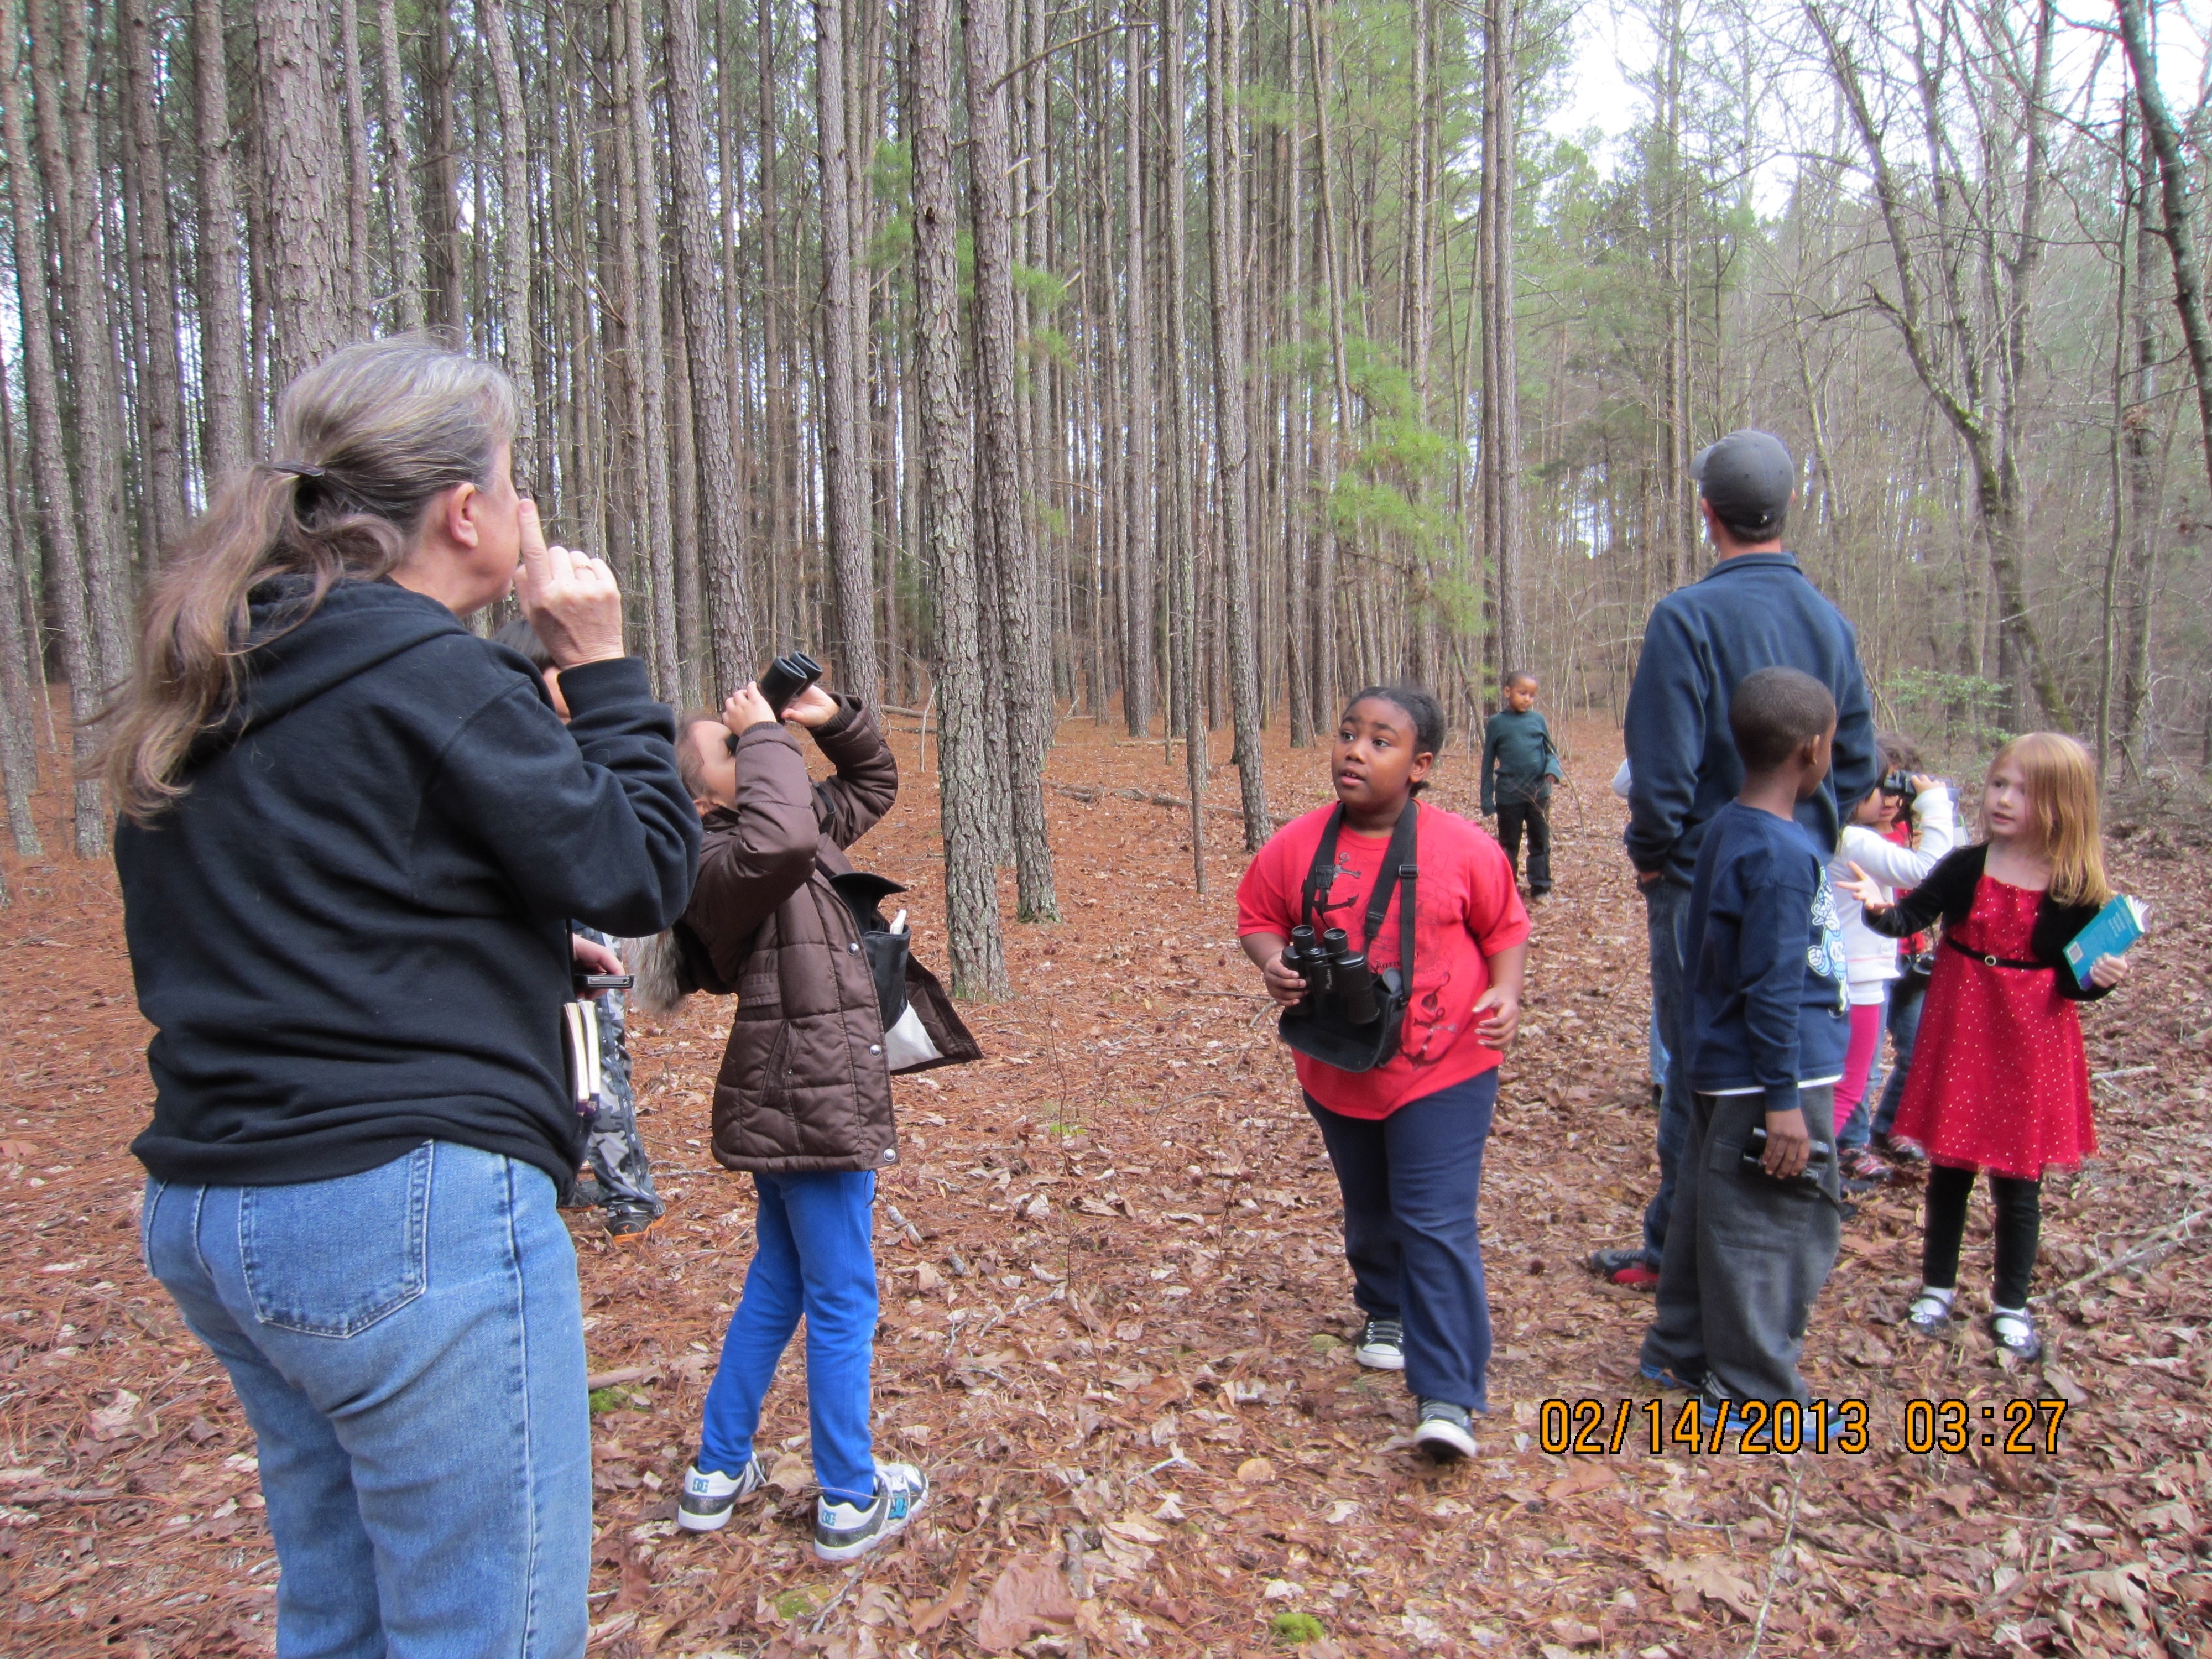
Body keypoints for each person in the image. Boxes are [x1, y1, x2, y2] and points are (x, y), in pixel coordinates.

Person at [107, 338, 699, 1655]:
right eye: (514, 476)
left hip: (218, 1204)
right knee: (485, 1628)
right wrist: (600, 669)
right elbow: (646, 867)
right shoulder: (425, 670)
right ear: (467, 512)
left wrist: (509, 951)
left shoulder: (227, 663)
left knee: (345, 1614)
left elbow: (300, 906)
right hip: (399, 1213)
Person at [665, 678, 977, 1557]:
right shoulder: (717, 860)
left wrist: (828, 718)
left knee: (780, 1280)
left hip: (796, 1093)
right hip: (810, 1096)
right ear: (697, 797)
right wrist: (765, 735)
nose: (751, 743)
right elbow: (782, 833)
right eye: (729, 748)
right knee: (842, 1297)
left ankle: (717, 1469)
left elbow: (873, 785)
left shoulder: (785, 833)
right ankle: (850, 1496)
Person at [1589, 429, 1878, 1292]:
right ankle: (1716, 1254)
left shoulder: (1688, 617)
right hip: (1799, 879)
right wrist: (1811, 840)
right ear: (1784, 511)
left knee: (1697, 1062)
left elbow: (1662, 760)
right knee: (1778, 1048)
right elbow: (1858, 758)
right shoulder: (1830, 623)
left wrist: (1658, 858)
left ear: (1705, 512)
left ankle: (1685, 1260)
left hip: (1702, 882)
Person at [1238, 685, 1530, 1463]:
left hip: (1447, 1066)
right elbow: (1258, 917)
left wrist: (1505, 991)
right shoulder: (1297, 846)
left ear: (1422, 766)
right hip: (1338, 1062)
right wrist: (1274, 965)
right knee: (1371, 1206)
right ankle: (1385, 1306)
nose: (1355, 752)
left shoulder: (1465, 848)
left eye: (1380, 741)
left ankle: (1448, 1395)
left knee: (1434, 1219)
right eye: (1346, 736)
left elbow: (1506, 926)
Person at [1841, 733, 2133, 1362]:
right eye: (2000, 784)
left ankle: (2010, 1305)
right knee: (1950, 1170)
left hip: (2030, 1039)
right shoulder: (1967, 865)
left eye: (2023, 791)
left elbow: (2076, 980)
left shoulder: (2074, 885)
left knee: (2016, 1180)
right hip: (1963, 1026)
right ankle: (1936, 1288)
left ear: (2061, 804)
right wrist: (1874, 908)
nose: (2003, 799)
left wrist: (2099, 981)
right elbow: (1908, 919)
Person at [1637, 668, 1850, 1421]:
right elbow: (1773, 985)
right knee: (1774, 1226)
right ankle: (1752, 1386)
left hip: (1724, 1069)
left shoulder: (1727, 827)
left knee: (1708, 1203)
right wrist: (1785, 1102)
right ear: (1813, 750)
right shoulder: (1781, 859)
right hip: (1768, 1078)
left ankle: (1680, 1350)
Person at [493, 617, 666, 1242]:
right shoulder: (492, 752)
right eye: (551, 716)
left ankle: (630, 1194)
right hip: (518, 925)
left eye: (572, 718)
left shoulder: (602, 754)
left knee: (596, 1047)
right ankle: (561, 1177)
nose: (562, 733)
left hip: (588, 907)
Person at [1829, 746, 1955, 1185]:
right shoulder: (1854, 839)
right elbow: (1929, 872)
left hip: (1853, 969)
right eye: (1877, 787)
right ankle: (1811, 1173)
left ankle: (1815, 1171)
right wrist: (1937, 805)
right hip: (1860, 975)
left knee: (1847, 1078)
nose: (1887, 798)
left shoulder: (1834, 833)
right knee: (1850, 1084)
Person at [1481, 671, 1564, 896]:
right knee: (1509, 844)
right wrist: (1487, 800)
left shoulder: (1538, 721)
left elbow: (1551, 752)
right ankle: (1508, 890)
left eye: (1532, 695)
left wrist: (1552, 772)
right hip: (1509, 795)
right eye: (1523, 693)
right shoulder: (1497, 723)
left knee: (1540, 841)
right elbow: (1487, 763)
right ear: (1508, 692)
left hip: (1539, 793)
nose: (1528, 699)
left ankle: (1541, 887)